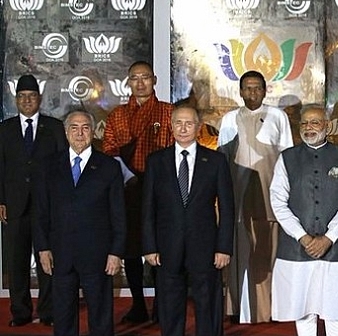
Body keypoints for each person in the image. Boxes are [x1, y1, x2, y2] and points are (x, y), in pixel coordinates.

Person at [269, 104, 338, 336]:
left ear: (328, 126)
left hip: (337, 249)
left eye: (315, 122)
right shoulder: (287, 158)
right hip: (297, 249)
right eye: (304, 123)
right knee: (303, 309)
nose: (309, 128)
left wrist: (329, 238)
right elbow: (278, 201)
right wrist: (302, 236)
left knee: (336, 309)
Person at [142, 105, 235, 336]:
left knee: (207, 303)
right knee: (170, 303)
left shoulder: (215, 161)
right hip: (167, 246)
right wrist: (150, 246)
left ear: (198, 127)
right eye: (178, 123)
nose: (183, 128)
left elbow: (227, 208)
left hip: (206, 246)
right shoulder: (156, 161)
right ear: (171, 126)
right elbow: (148, 209)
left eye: (189, 123)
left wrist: (224, 247)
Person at [33, 109, 126, 336]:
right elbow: (40, 212)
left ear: (93, 132)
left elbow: (119, 214)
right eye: (74, 128)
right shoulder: (48, 166)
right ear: (66, 133)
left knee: (100, 315)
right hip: (60, 253)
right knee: (63, 315)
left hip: (98, 255)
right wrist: (43, 249)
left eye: (85, 127)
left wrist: (116, 252)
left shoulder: (109, 167)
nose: (79, 133)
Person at [217, 70, 293, 323]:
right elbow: (222, 160)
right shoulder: (228, 120)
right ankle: (236, 307)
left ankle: (267, 309)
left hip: (268, 198)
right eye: (247, 88)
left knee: (266, 253)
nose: (252, 92)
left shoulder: (278, 117)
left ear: (265, 90)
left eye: (257, 88)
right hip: (237, 200)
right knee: (238, 251)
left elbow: (287, 159)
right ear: (239, 91)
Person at [102, 60, 174, 323]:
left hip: (162, 189)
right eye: (135, 78)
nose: (140, 83)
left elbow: (180, 148)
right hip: (128, 188)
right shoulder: (117, 115)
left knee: (160, 246)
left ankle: (161, 304)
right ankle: (138, 304)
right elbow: (109, 149)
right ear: (128, 82)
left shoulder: (168, 112)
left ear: (154, 80)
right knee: (131, 248)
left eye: (145, 77)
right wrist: (127, 175)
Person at [0, 74, 66, 327]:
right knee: (16, 263)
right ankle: (20, 312)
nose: (27, 101)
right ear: (15, 100)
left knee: (47, 260)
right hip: (14, 206)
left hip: (46, 206)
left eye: (31, 96)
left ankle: (48, 311)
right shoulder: (4, 129)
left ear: (39, 99)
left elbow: (62, 165)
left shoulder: (54, 127)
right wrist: (1, 200)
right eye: (22, 97)